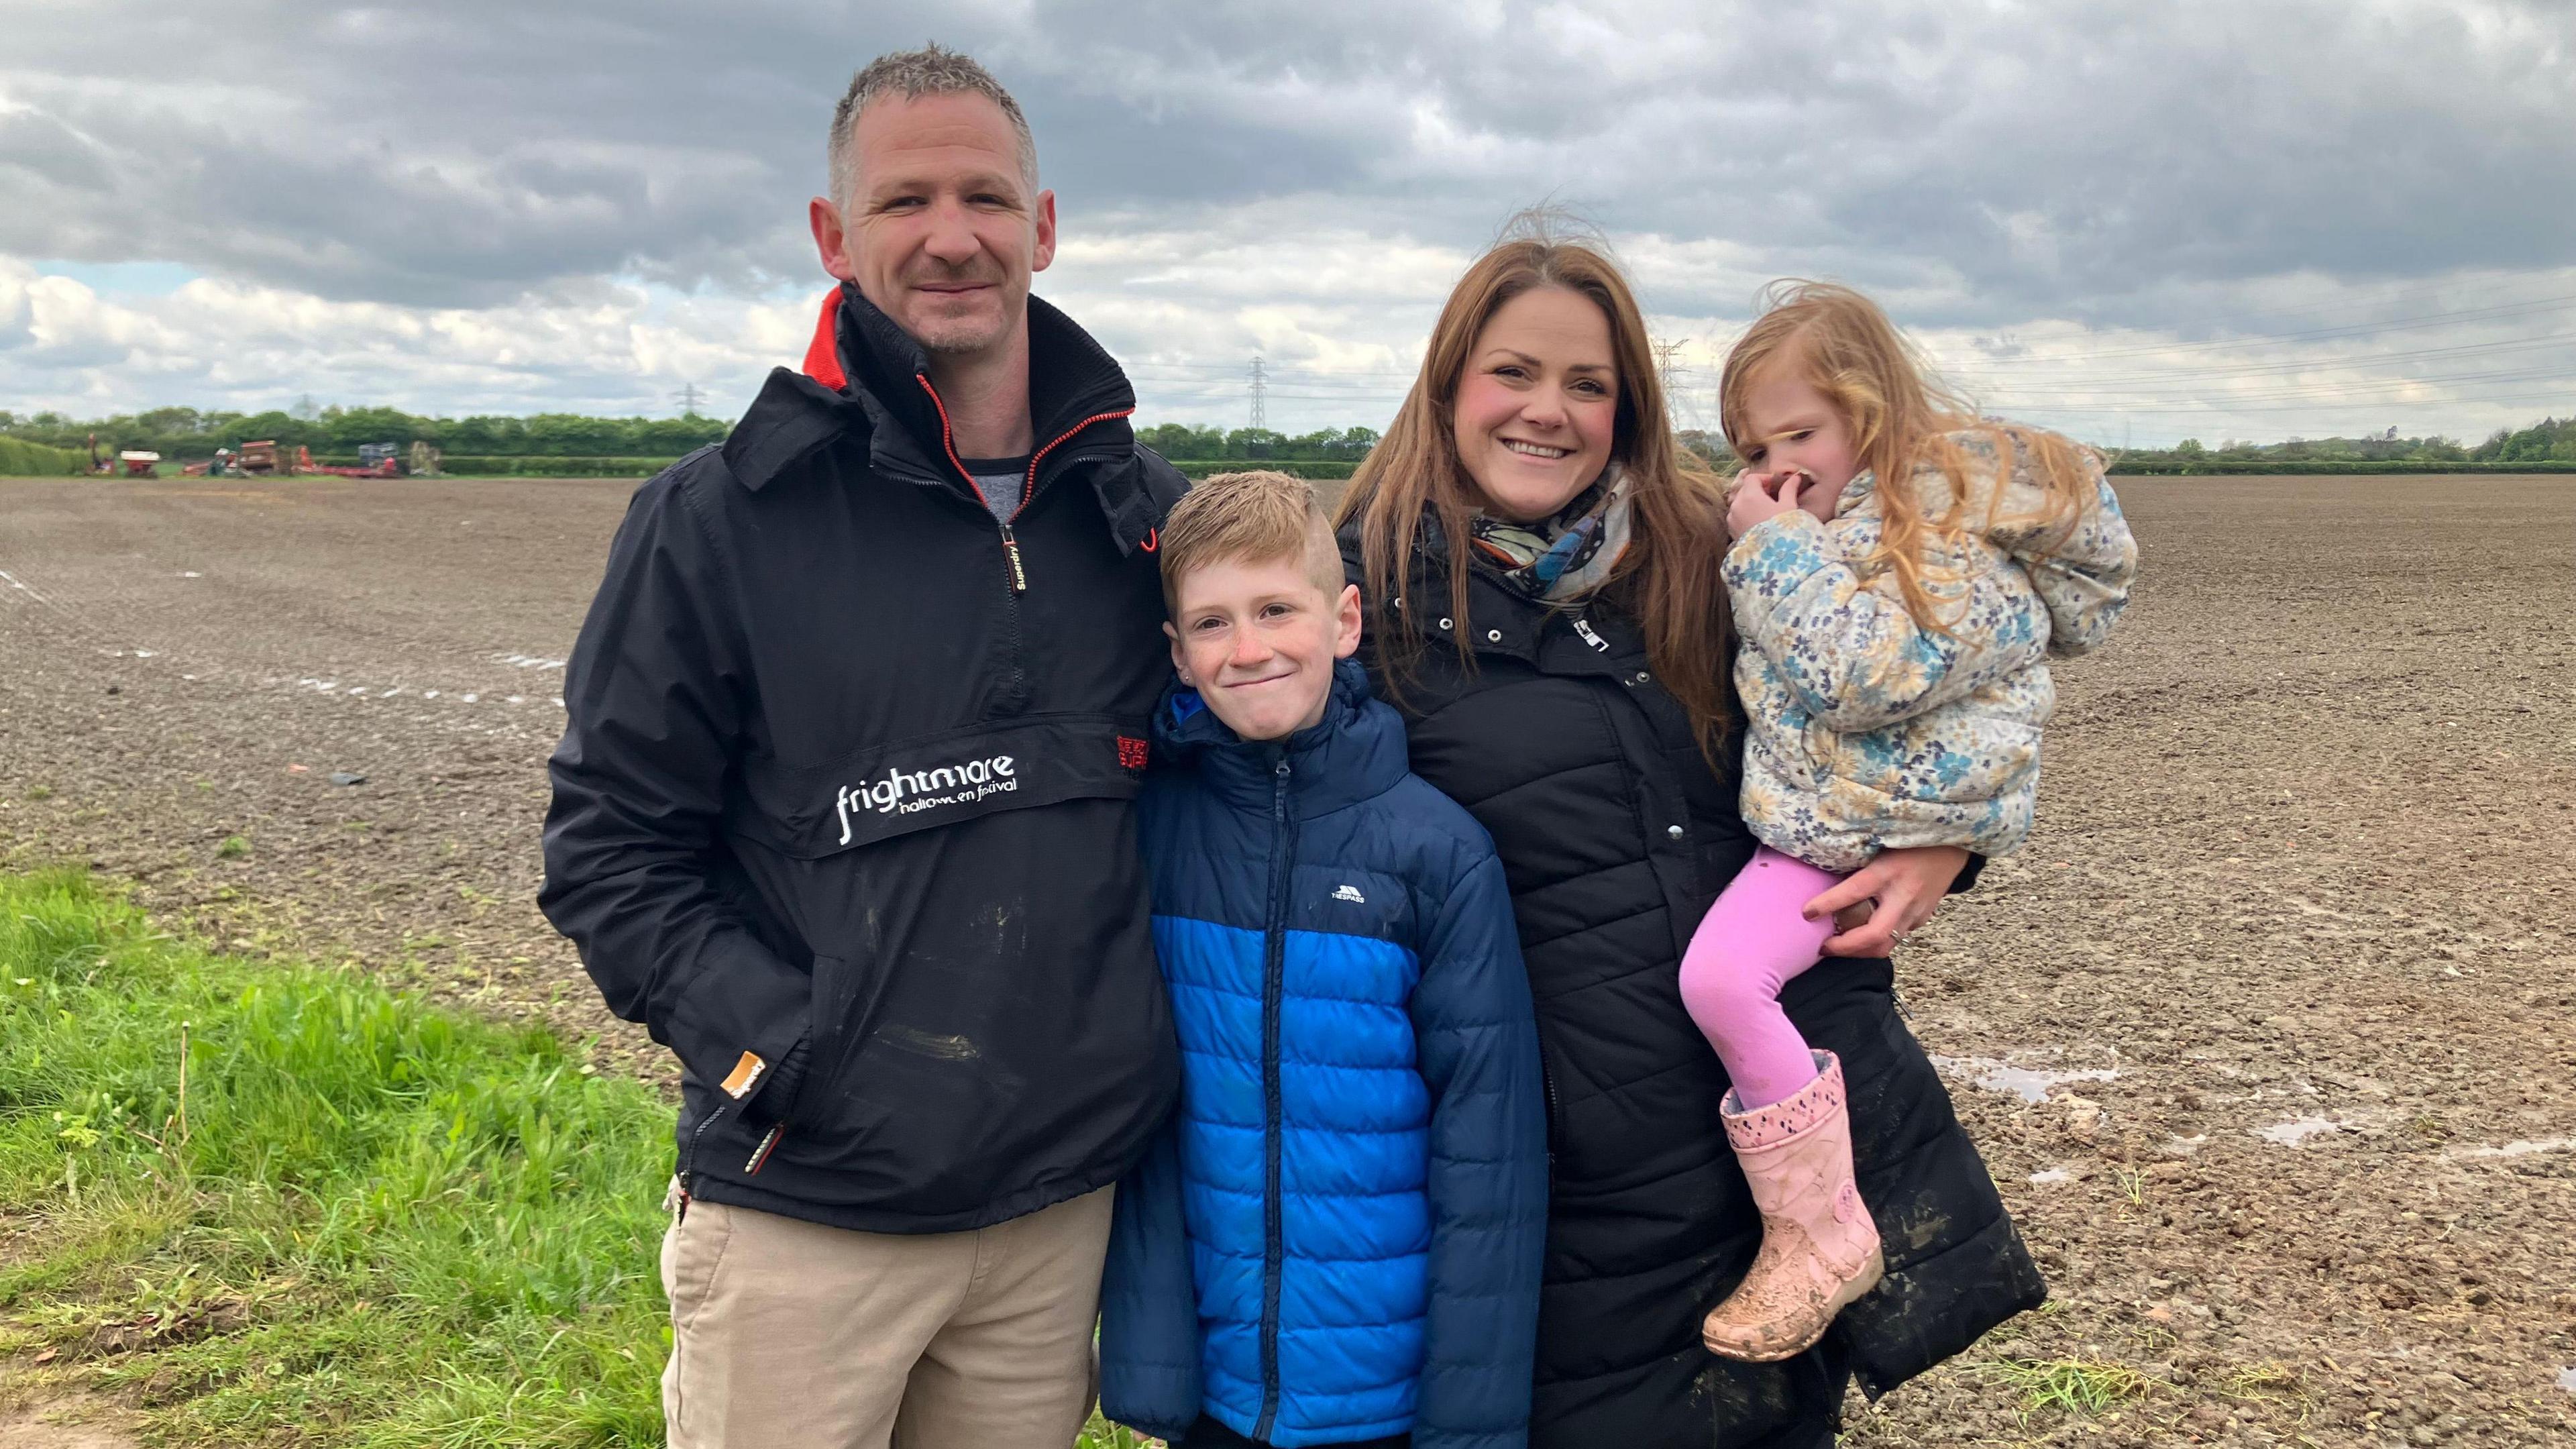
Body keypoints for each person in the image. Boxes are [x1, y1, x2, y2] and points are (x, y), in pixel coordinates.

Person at [538, 44, 1185, 1449]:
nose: (951, 237)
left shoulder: (1147, 523)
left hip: (1058, 1216)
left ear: (1046, 226)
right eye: (904, 203)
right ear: (835, 235)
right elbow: (609, 854)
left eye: (986, 198)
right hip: (808, 1213)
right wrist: (786, 1057)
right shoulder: (718, 521)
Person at [1336, 216, 2047, 1449]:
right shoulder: (1362, 597)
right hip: (1562, 1192)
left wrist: (1943, 847)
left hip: (1778, 1173)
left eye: (1588, 384)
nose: (1545, 411)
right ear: (1449, 382)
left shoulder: (1720, 555)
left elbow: (1921, 676)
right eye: (1513, 371)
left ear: (1631, 409)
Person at [1681, 281, 2137, 1362]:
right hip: (1835, 825)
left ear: (1873, 416)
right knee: (1723, 984)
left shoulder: (1944, 538)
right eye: (1754, 446)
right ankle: (1819, 1227)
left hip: (1842, 833)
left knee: (1718, 982)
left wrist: (1773, 547)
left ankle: (1822, 1231)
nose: (1775, 468)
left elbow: (1857, 674)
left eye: (1800, 434)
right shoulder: (1854, 522)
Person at [1096, 470, 1549, 1449]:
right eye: (1211, 624)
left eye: (1275, 610)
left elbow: (1490, 1160)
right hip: (1214, 1392)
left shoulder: (1437, 853)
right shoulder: (1150, 835)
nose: (1248, 648)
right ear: (1176, 654)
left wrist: (1469, 1426)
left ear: (1344, 621)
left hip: (1384, 1398)